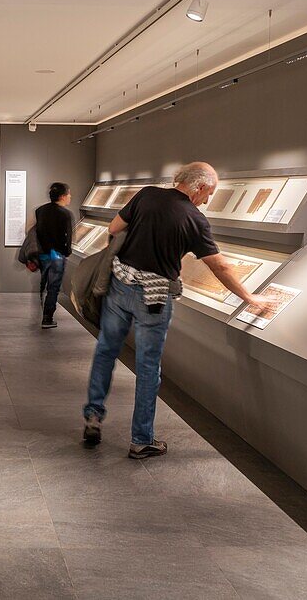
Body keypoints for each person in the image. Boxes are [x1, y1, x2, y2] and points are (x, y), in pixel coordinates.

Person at [82, 162, 272, 459]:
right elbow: (219, 265)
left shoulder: (146, 195)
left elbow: (114, 227)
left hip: (120, 286)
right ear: (198, 187)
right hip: (155, 299)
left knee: (106, 350)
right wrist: (249, 297)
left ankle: (93, 415)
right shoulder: (194, 219)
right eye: (209, 193)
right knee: (148, 367)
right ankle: (141, 439)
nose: (208, 200)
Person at [35, 181, 73, 329]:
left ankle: (42, 309)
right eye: (69, 194)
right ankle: (47, 317)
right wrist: (66, 252)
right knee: (53, 287)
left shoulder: (40, 211)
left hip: (43, 254)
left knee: (44, 283)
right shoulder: (65, 214)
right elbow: (67, 238)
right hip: (57, 255)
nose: (70, 196)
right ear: (62, 196)